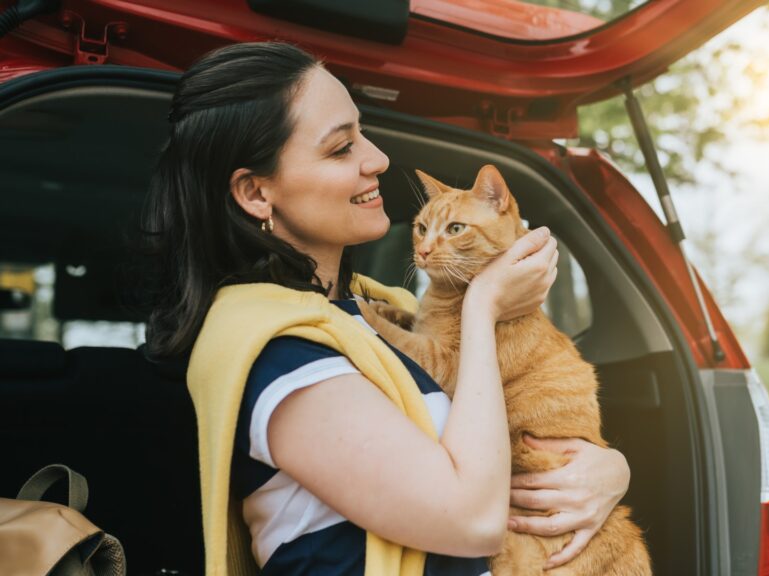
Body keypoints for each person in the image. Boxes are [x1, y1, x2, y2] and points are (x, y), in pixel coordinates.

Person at [143, 41, 631, 575]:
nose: (377, 159)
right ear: (257, 194)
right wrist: (483, 304)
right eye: (340, 148)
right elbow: (472, 521)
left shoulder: (377, 311)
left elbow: (501, 440)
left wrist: (608, 470)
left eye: (363, 134)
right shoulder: (278, 350)